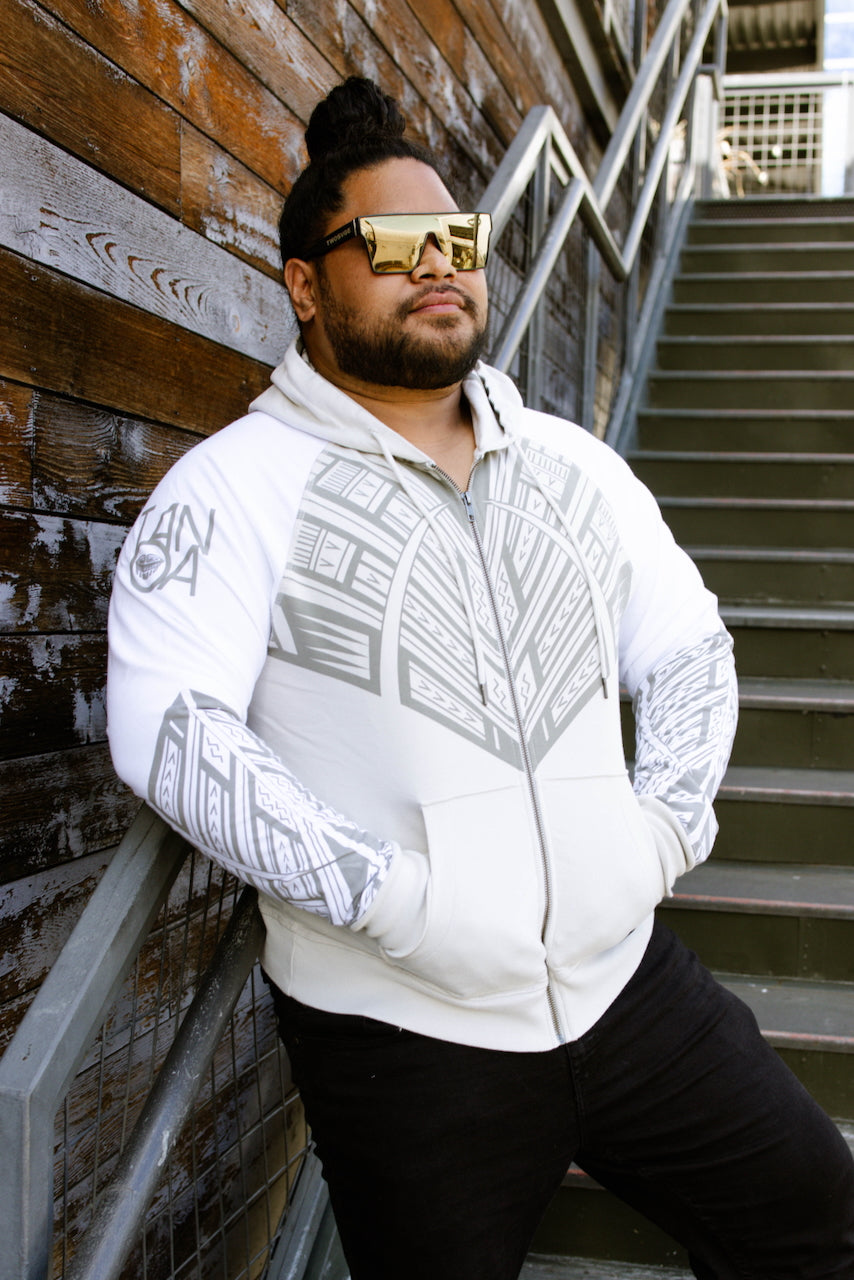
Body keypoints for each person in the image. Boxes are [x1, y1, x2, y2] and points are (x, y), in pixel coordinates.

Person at [107, 77, 854, 1280]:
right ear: (304, 284)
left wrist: (661, 831)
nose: (435, 264)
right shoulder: (231, 489)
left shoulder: (574, 462)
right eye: (390, 242)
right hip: (405, 1032)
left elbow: (685, 647)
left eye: (454, 238)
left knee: (813, 1210)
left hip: (623, 985)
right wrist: (401, 903)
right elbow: (170, 727)